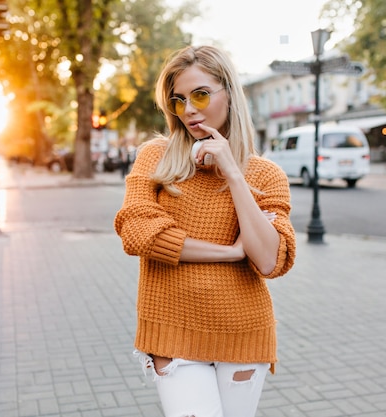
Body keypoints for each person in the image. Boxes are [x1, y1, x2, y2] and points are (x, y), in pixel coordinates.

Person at [114, 45, 296, 417]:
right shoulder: (156, 157)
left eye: (200, 95)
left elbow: (269, 260)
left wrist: (233, 172)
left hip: (243, 331)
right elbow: (137, 232)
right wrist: (230, 252)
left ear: (229, 92)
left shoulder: (266, 175)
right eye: (178, 100)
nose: (189, 110)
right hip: (172, 329)